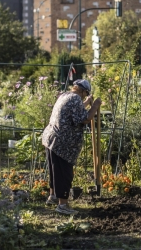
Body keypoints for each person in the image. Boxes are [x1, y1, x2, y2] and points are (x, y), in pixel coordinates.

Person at [41, 79, 102, 215]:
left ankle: (53, 197)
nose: (85, 97)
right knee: (64, 173)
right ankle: (62, 205)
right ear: (82, 90)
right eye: (86, 94)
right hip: (63, 143)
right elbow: (84, 119)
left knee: (55, 170)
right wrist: (95, 105)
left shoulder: (65, 96)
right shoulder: (75, 98)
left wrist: (87, 103)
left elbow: (76, 110)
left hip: (52, 138)